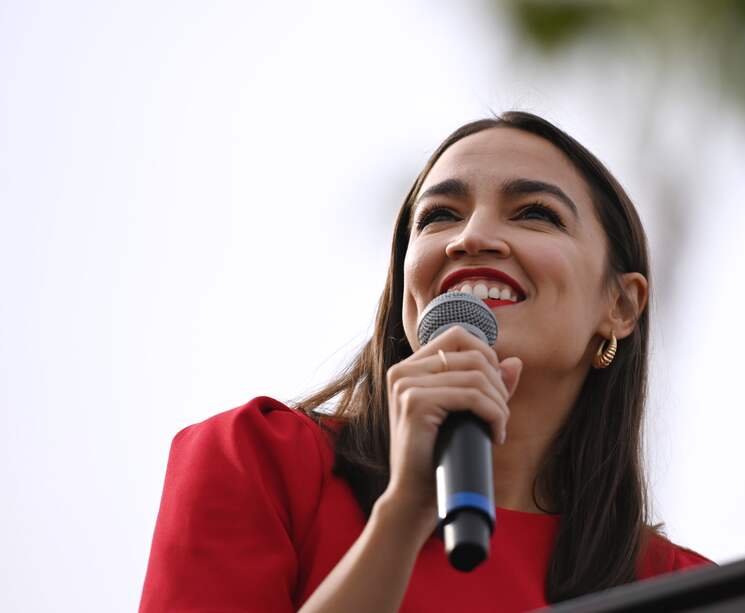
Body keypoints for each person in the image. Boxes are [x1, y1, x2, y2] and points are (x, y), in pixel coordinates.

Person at [139, 111, 712, 612]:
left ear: (621, 304)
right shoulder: (257, 461)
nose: (473, 236)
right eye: (439, 216)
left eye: (535, 213)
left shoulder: (685, 588)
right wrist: (404, 514)